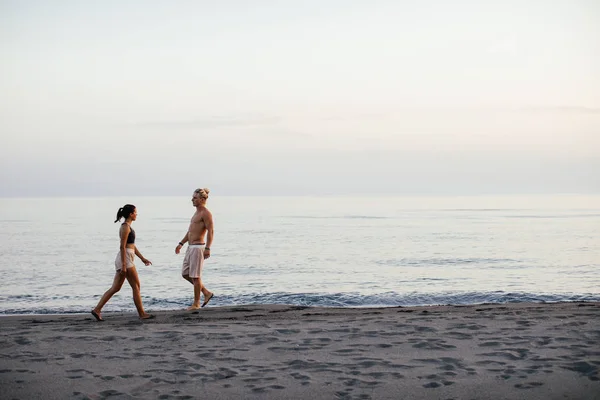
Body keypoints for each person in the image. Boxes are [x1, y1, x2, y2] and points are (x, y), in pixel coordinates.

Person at [91, 204, 154, 321]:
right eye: (135, 212)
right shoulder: (125, 227)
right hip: (125, 258)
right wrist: (124, 265)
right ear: (131, 214)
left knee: (115, 288)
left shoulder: (128, 226)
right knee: (136, 286)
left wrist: (142, 258)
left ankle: (97, 309)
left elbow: (132, 246)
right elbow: (122, 246)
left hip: (126, 257)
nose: (136, 214)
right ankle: (142, 314)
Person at [176, 188, 215, 310]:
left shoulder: (206, 213)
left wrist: (208, 248)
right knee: (185, 273)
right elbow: (190, 232)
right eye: (193, 197)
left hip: (198, 248)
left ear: (202, 199)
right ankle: (206, 292)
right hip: (190, 247)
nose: (192, 200)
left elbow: (211, 231)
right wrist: (181, 243)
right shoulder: (196, 213)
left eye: (195, 198)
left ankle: (196, 303)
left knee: (196, 276)